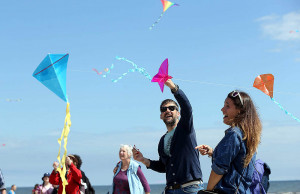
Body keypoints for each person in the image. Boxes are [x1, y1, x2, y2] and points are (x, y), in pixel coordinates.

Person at [133, 79, 203, 194]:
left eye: (172, 108)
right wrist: (143, 160)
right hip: (170, 190)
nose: (168, 110)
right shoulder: (162, 140)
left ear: (178, 113)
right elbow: (164, 166)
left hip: (190, 188)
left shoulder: (185, 129)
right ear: (161, 116)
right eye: (164, 109)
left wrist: (173, 88)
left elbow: (187, 108)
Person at [196, 90, 262, 193]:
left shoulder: (234, 134)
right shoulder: (248, 136)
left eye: (227, 106)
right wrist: (213, 152)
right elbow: (238, 161)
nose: (222, 109)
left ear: (239, 110)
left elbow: (219, 169)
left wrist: (208, 191)